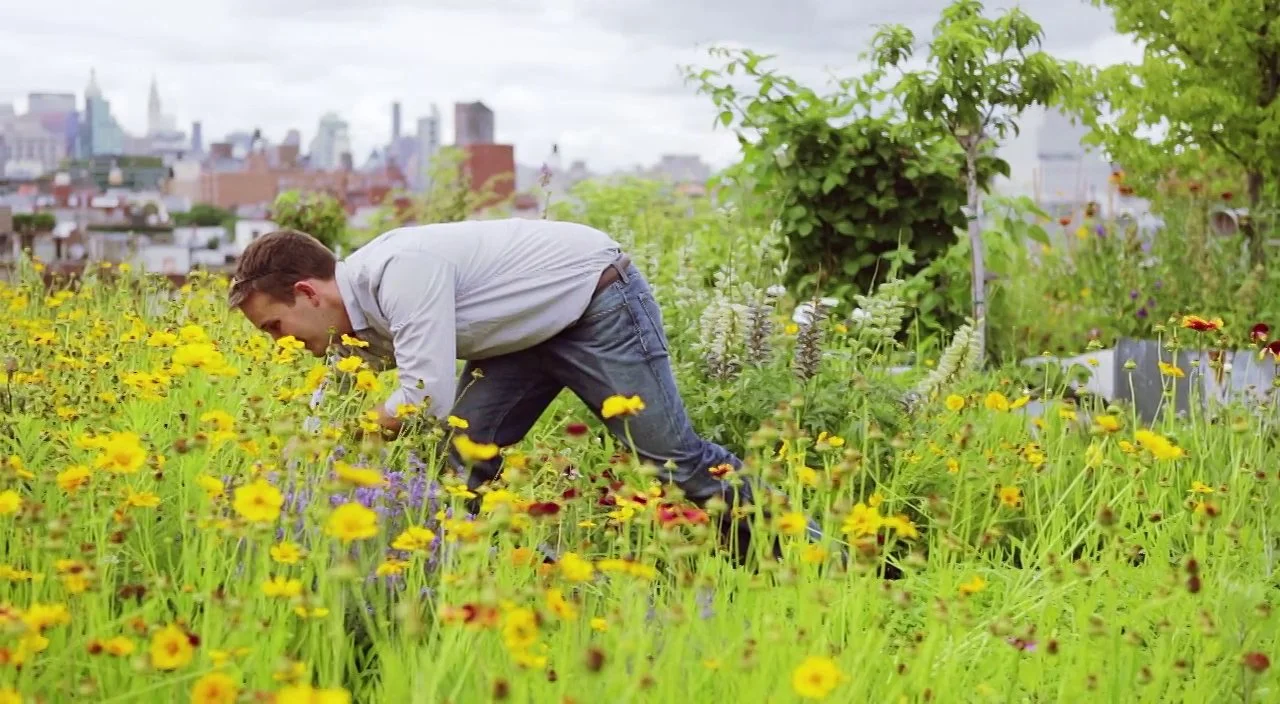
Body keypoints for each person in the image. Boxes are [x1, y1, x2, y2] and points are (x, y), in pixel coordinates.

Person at [227, 218, 788, 564]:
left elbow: (424, 396)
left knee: (670, 458)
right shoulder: (351, 323)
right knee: (459, 455)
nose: (282, 343)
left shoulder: (399, 273)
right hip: (522, 335)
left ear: (307, 293)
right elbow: (337, 395)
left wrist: (353, 433)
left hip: (596, 301)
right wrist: (294, 465)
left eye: (275, 328)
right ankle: (516, 571)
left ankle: (814, 557)